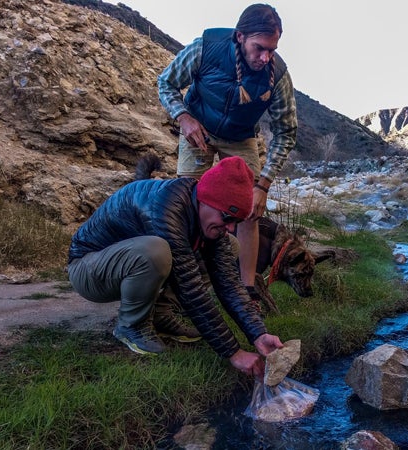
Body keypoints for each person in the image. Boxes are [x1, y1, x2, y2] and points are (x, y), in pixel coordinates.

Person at [67, 156, 282, 378]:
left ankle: (160, 314)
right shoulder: (167, 209)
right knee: (156, 251)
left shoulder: (199, 207)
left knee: (230, 246)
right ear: (207, 200)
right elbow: (191, 290)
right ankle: (131, 325)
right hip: (87, 269)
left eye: (235, 222)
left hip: (117, 263)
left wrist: (258, 334)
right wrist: (234, 353)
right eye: (226, 217)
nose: (229, 227)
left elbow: (228, 284)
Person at [157, 3, 297, 309]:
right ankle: (181, 285)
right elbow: (165, 82)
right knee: (187, 203)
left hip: (241, 137)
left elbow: (286, 131)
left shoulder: (278, 74)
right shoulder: (204, 49)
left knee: (250, 208)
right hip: (198, 128)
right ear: (239, 36)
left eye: (272, 50)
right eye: (259, 48)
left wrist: (263, 185)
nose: (265, 57)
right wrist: (183, 117)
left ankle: (247, 290)